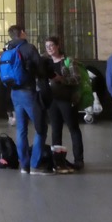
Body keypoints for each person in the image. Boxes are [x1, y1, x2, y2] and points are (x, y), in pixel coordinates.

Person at [4, 25, 53, 175]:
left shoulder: (8, 48)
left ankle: (24, 165)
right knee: (41, 127)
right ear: (22, 33)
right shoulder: (28, 48)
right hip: (28, 92)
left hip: (14, 92)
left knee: (21, 129)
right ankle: (34, 164)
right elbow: (40, 69)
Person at [44, 36, 84, 171]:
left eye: (51, 45)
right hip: (52, 100)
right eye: (47, 46)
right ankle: (58, 159)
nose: (49, 48)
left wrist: (62, 79)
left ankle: (78, 160)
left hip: (66, 99)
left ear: (58, 46)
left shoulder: (68, 61)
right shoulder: (46, 62)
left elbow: (77, 79)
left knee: (73, 128)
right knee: (55, 130)